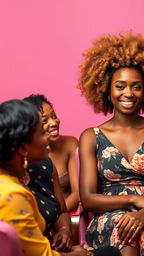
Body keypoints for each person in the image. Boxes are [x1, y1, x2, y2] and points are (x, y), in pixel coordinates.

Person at [77, 32, 144, 256]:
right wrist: (134, 200)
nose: (128, 93)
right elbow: (87, 199)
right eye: (120, 86)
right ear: (107, 89)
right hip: (108, 219)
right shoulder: (91, 136)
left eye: (136, 87)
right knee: (123, 227)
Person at [0, 99, 91, 256]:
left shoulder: (41, 167)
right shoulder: (13, 195)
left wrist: (64, 231)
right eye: (42, 133)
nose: (48, 136)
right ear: (23, 148)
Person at [24, 94, 79, 213]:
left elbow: (78, 192)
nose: (53, 123)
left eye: (54, 116)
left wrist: (57, 217)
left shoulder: (70, 144)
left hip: (63, 215)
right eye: (45, 120)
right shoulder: (26, 154)